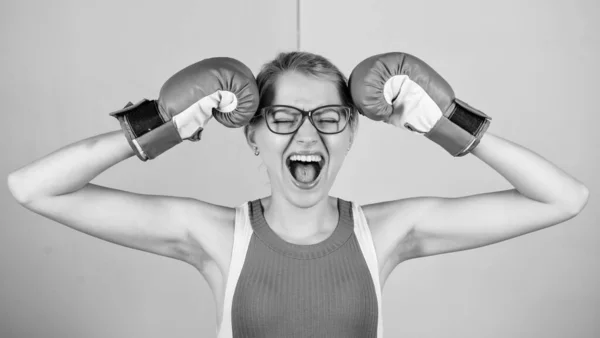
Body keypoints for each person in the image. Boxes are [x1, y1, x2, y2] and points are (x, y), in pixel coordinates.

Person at [7, 51, 589, 338]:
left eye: (328, 117)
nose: (307, 133)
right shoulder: (214, 237)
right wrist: (159, 123)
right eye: (283, 117)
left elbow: (563, 199)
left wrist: (448, 121)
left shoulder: (386, 233)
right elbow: (31, 189)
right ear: (253, 137)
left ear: (351, 133)